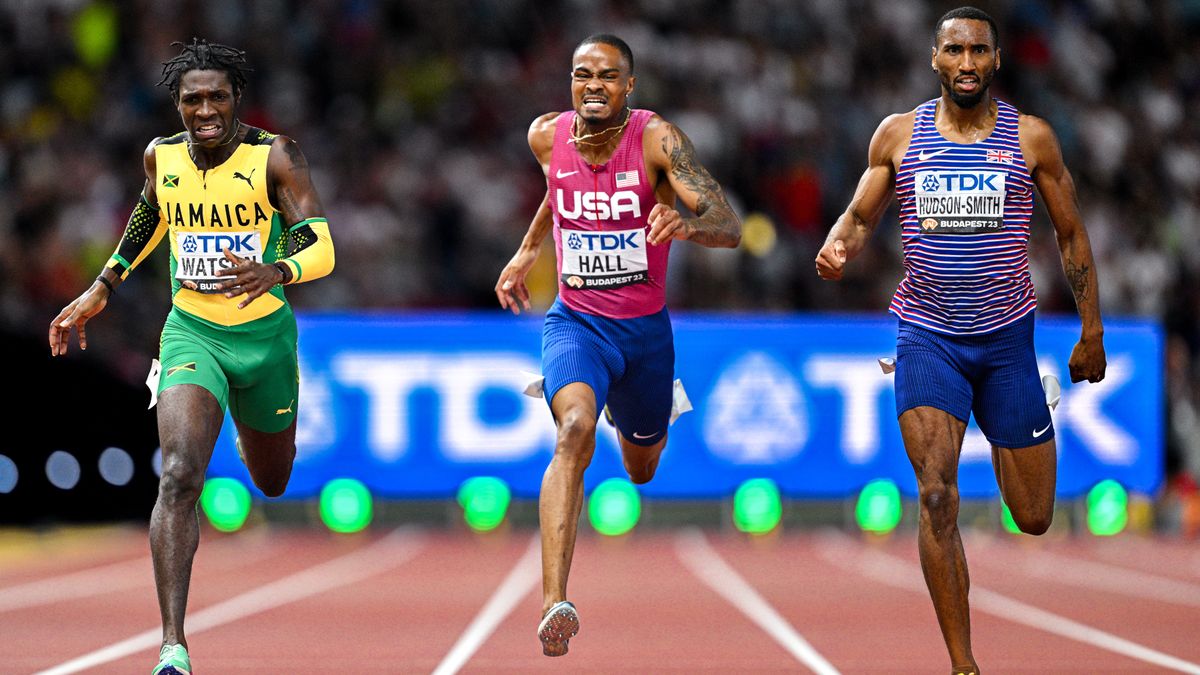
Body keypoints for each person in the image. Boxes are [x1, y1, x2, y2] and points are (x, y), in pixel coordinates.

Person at [816, 7, 1106, 674]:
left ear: (996, 59)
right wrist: (839, 246)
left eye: (979, 50)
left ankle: (1027, 409)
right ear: (936, 59)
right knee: (937, 495)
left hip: (1006, 342)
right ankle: (964, 664)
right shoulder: (898, 135)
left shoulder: (1031, 138)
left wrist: (1091, 329)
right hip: (927, 337)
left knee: (1033, 517)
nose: (968, 62)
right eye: (956, 50)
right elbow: (861, 215)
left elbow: (1071, 235)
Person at [48, 39, 335, 675]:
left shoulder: (275, 158)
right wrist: (103, 287)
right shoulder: (162, 156)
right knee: (178, 475)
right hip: (191, 332)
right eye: (191, 99)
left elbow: (321, 244)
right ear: (177, 104)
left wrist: (276, 269)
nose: (204, 109)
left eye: (216, 97)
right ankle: (172, 646)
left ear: (236, 100)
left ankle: (247, 420)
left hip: (263, 340)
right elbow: (150, 215)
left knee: (272, 480)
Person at [495, 34, 741, 657]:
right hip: (576, 324)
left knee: (641, 467)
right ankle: (554, 600)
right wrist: (530, 249)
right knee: (573, 429)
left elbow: (729, 224)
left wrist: (686, 223)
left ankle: (645, 417)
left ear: (628, 87)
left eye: (608, 76)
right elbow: (559, 187)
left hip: (644, 335)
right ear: (570, 83)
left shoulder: (658, 140)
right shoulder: (546, 136)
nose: (594, 86)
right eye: (582, 75)